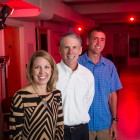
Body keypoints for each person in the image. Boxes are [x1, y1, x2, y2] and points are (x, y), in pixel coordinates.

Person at [78, 27, 123, 140]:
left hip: (105, 124)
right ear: (88, 41)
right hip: (83, 124)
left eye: (102, 39)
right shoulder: (77, 64)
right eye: (95, 39)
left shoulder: (109, 66)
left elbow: (112, 96)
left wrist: (114, 121)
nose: (99, 43)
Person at [9, 50, 64, 140]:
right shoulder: (20, 97)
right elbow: (14, 133)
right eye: (37, 67)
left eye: (46, 67)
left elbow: (60, 127)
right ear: (31, 70)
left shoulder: (56, 94)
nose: (42, 72)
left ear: (52, 70)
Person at [56, 32, 95, 140]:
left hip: (81, 132)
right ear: (60, 50)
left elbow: (87, 102)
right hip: (57, 131)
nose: (71, 52)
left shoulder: (88, 75)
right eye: (66, 47)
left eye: (74, 47)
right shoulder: (51, 73)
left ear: (80, 50)